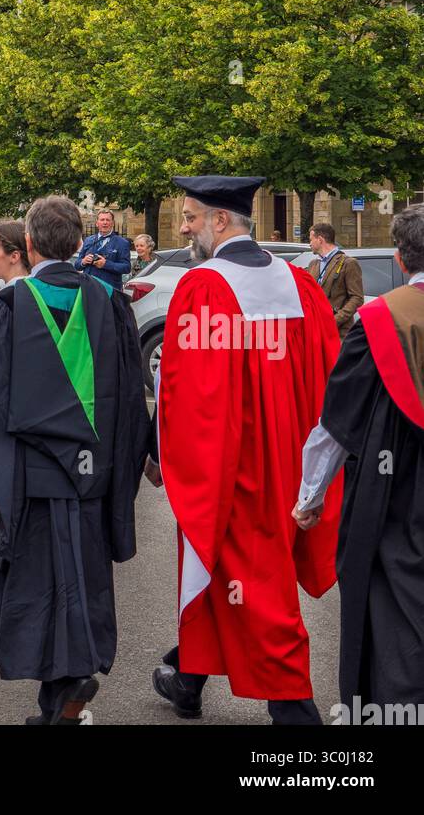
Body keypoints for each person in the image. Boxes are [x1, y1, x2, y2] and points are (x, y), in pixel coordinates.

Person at [152, 175, 342, 725]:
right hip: (292, 462)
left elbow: (192, 397)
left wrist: (168, 457)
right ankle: (186, 678)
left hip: (236, 469)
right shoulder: (301, 285)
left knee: (256, 586)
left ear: (219, 221)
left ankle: (296, 718)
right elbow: (328, 379)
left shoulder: (204, 287)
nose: (183, 227)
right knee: (233, 576)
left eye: (190, 217)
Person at [0, 195, 150, 725]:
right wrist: (129, 467)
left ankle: (58, 690)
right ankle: (73, 677)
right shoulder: (109, 302)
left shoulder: (7, 307)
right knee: (83, 577)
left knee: (34, 582)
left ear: (31, 245)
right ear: (80, 244)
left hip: (27, 478)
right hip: (91, 476)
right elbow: (133, 396)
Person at [294, 203, 424, 714]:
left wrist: (310, 494)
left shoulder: (381, 319)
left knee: (394, 601)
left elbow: (338, 421)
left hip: (395, 487)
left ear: (399, 256)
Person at [307, 224, 364, 339]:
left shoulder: (348, 263)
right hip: (317, 331)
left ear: (320, 239)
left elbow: (357, 298)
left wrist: (335, 320)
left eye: (311, 240)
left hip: (339, 333)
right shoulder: (313, 264)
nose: (310, 244)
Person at [74, 209, 132, 292]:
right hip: (88, 288)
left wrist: (105, 264)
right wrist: (83, 261)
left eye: (108, 220)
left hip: (110, 290)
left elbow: (126, 268)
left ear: (112, 223)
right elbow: (77, 265)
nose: (105, 222)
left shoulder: (122, 243)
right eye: (102, 220)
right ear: (97, 223)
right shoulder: (88, 240)